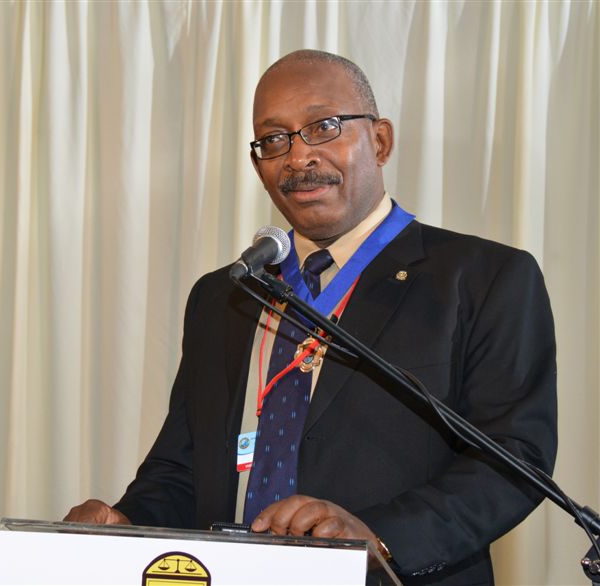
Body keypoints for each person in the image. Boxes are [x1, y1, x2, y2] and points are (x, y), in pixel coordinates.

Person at [65, 50, 557, 584]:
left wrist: (379, 539)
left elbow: (513, 460)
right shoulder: (225, 295)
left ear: (380, 141)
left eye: (323, 127)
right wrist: (126, 523)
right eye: (274, 139)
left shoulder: (483, 279)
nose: (298, 157)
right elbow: (183, 468)